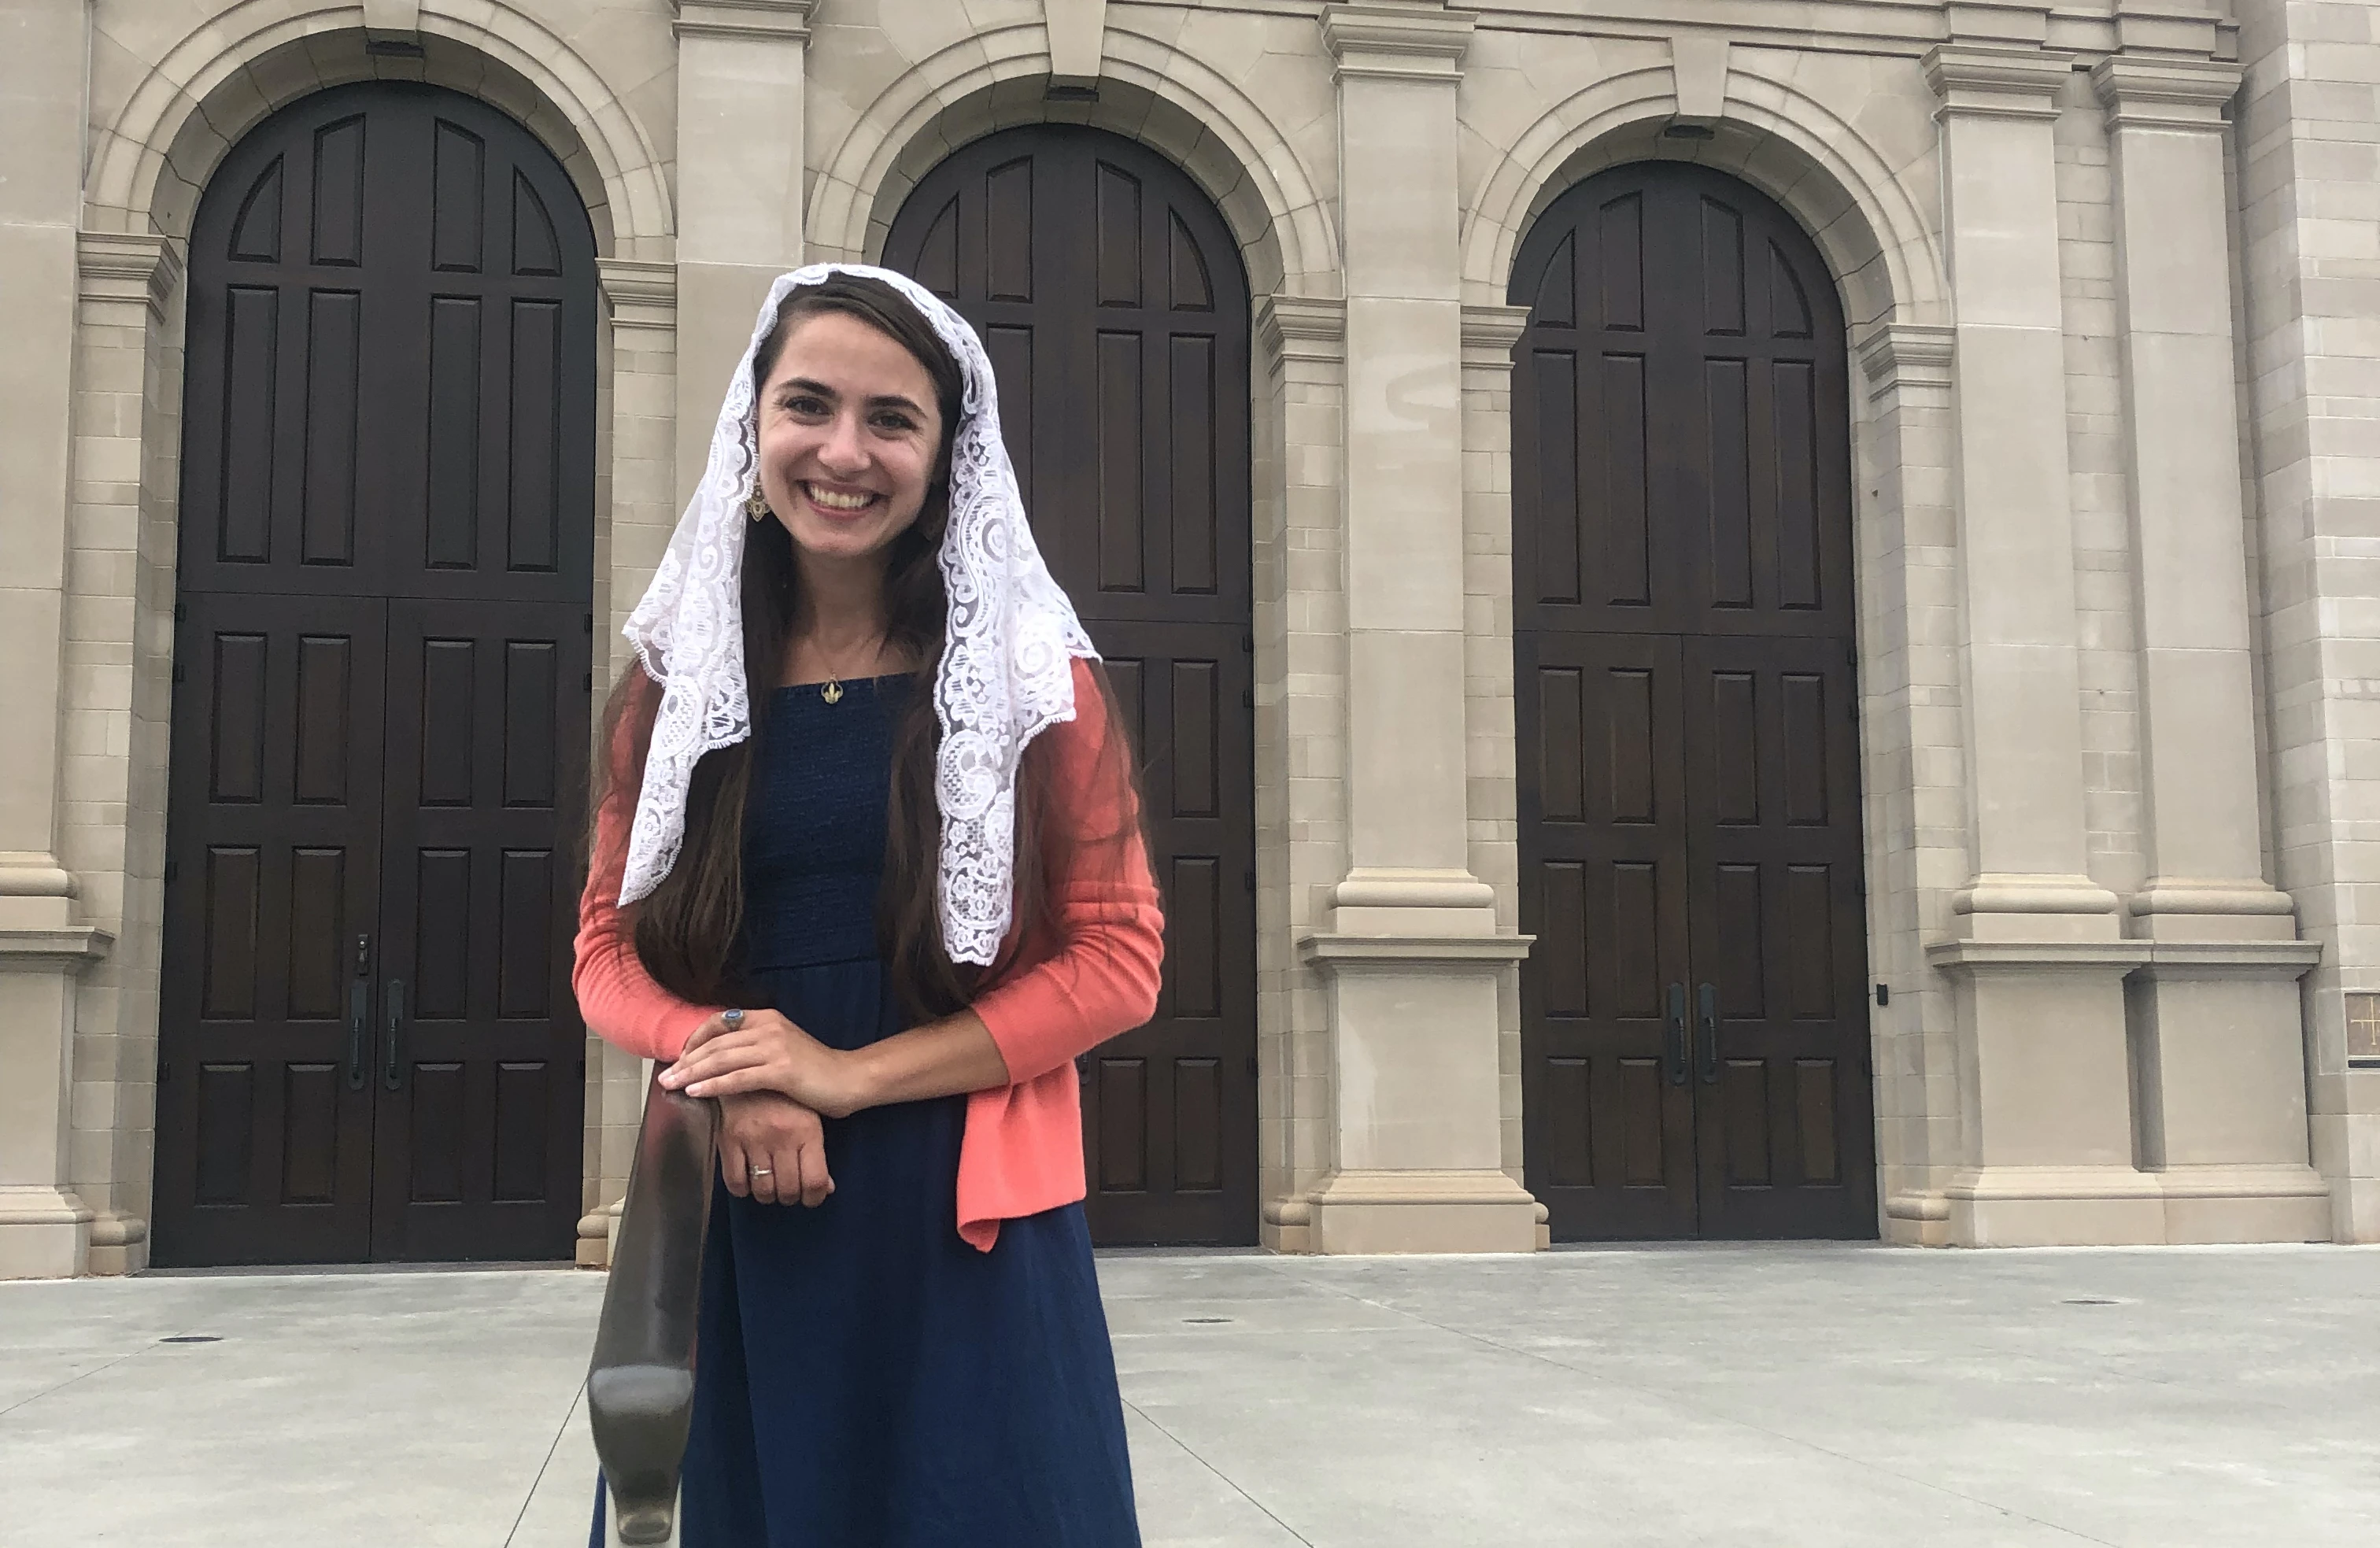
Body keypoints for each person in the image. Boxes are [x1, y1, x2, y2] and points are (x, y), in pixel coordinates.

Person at [575, 264, 1161, 1546]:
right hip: (741, 1193)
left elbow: (1119, 960)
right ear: (754, 422)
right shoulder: (675, 683)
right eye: (809, 405)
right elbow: (604, 952)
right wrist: (738, 1062)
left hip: (963, 1216)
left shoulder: (1033, 676)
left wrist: (843, 1075)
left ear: (947, 454)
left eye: (891, 419)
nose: (843, 452)